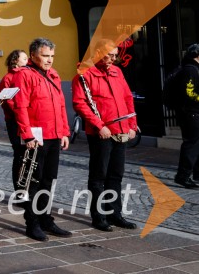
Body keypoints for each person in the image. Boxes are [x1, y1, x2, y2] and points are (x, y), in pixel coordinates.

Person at [72, 39, 139, 231]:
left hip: (121, 130)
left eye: (115, 55)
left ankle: (115, 213)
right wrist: (99, 125)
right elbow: (80, 103)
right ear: (98, 52)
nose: (112, 59)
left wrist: (132, 124)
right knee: (99, 175)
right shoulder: (84, 75)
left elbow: (127, 98)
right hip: (101, 132)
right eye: (109, 55)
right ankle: (99, 216)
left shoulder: (117, 72)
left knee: (116, 175)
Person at [10, 38, 72, 241]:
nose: (49, 60)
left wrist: (64, 132)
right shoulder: (24, 75)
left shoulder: (53, 75)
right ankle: (33, 223)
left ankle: (46, 219)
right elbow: (20, 107)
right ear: (34, 55)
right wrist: (27, 135)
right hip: (36, 137)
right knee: (32, 182)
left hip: (54, 135)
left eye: (52, 56)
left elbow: (61, 106)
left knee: (48, 180)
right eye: (45, 56)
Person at [168, 43, 199, 188]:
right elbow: (189, 93)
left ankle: (195, 174)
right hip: (191, 113)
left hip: (191, 112)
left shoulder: (191, 68)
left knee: (196, 143)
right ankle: (183, 175)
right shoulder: (190, 70)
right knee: (191, 143)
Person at [0, 49, 28, 189]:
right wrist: (21, 112)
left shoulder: (27, 74)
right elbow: (6, 101)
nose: (27, 61)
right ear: (16, 60)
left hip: (28, 120)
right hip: (15, 121)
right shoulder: (8, 78)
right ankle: (19, 188)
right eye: (24, 58)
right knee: (20, 154)